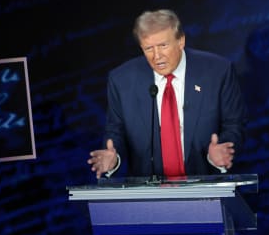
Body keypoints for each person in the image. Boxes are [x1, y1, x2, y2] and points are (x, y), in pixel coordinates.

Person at [88, 9, 247, 178]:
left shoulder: (217, 72)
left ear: (181, 41)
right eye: (149, 48)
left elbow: (234, 124)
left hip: (207, 185)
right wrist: (114, 158)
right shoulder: (122, 80)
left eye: (163, 45)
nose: (157, 56)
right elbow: (116, 132)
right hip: (148, 194)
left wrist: (221, 152)